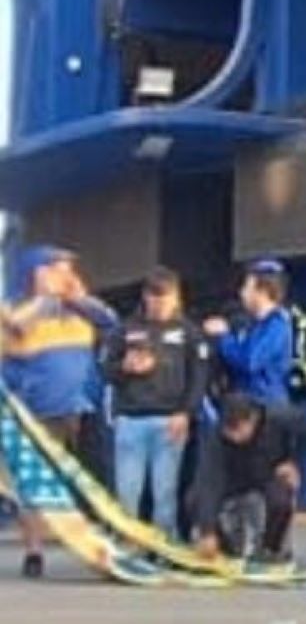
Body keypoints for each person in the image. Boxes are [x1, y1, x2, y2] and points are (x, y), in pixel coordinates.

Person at [2, 245, 116, 576]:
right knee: (34, 482)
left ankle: (99, 547)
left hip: (82, 406)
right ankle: (34, 552)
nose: (66, 276)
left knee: (90, 478)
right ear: (38, 273)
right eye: (58, 269)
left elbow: (108, 320)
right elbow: (14, 327)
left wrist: (76, 299)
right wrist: (46, 300)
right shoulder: (16, 308)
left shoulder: (79, 310)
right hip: (37, 409)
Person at [101, 267, 208, 540]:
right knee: (127, 491)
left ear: (177, 298)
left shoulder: (189, 333)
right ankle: (129, 545)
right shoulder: (125, 330)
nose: (161, 303)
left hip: (170, 421)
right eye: (155, 297)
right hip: (131, 420)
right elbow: (104, 370)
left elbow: (198, 378)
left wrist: (185, 413)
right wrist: (124, 367)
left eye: (167, 297)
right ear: (145, 297)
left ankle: (165, 547)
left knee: (165, 492)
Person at [189, 392, 306, 562]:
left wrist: (293, 461)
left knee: (281, 501)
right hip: (232, 476)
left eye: (237, 430)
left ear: (252, 420)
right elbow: (208, 480)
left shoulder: (280, 417)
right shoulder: (216, 436)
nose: (233, 437)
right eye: (228, 431)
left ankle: (270, 548)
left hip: (268, 471)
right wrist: (207, 531)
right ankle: (224, 548)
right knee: (194, 499)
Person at [204, 259, 294, 405]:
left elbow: (250, 360)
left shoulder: (276, 325)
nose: (242, 294)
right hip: (244, 403)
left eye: (247, 287)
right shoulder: (250, 324)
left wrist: (224, 337)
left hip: (266, 404)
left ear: (262, 291)